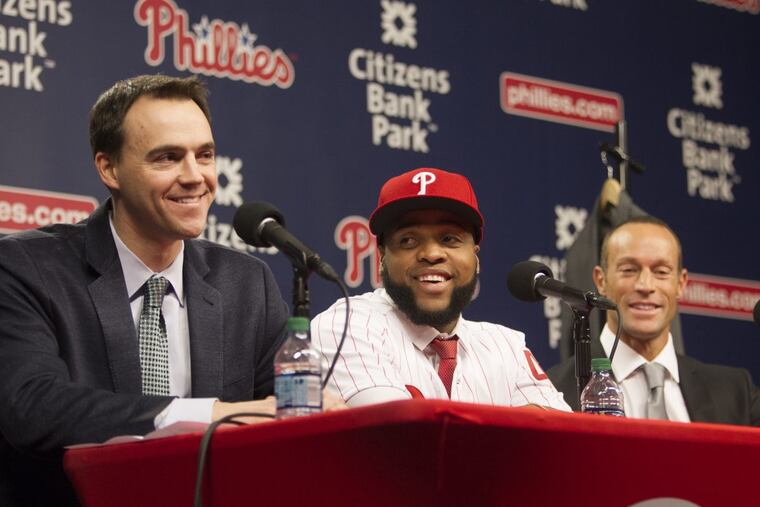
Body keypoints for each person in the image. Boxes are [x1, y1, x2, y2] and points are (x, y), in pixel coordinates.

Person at [0, 75, 290, 506]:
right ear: (109, 168)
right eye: (168, 158)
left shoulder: (247, 283)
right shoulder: (27, 267)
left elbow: (283, 418)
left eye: (204, 155)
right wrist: (204, 416)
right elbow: (32, 407)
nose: (195, 177)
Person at [312, 167, 570, 410]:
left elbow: (561, 435)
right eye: (408, 240)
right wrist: (516, 423)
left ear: (475, 257)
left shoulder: (505, 345)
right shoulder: (348, 323)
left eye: (449, 239)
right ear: (381, 257)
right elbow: (399, 436)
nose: (432, 253)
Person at [548, 216, 760, 425]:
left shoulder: (735, 391)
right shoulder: (553, 391)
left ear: (681, 283)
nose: (645, 285)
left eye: (661, 272)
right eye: (629, 270)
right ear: (601, 281)